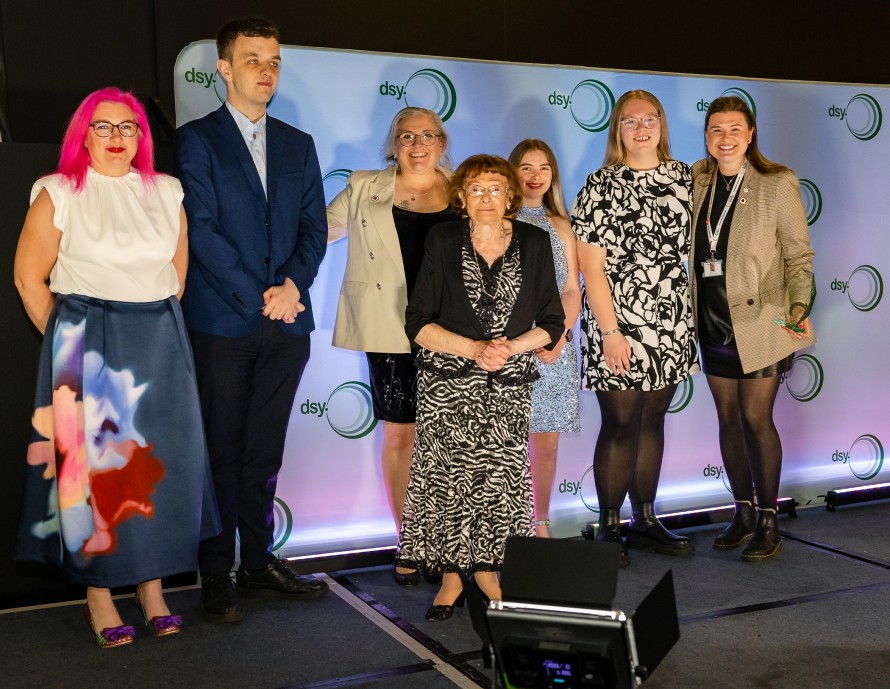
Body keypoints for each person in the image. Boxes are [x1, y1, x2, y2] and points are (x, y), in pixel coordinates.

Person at [13, 87, 219, 647]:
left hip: (159, 338)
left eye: (128, 127)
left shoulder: (168, 191)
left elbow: (176, 278)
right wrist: (70, 347)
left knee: (156, 466)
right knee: (94, 470)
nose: (116, 137)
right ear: (83, 134)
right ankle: (99, 594)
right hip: (88, 338)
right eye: (103, 127)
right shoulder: (58, 191)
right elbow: (29, 278)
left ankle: (152, 590)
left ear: (141, 137)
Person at [175, 18, 329, 623]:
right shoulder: (196, 141)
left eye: (274, 61)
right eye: (253, 59)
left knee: (265, 453)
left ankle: (258, 564)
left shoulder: (299, 144)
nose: (266, 71)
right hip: (223, 323)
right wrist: (260, 295)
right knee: (221, 454)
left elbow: (314, 229)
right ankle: (216, 573)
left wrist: (291, 287)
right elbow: (202, 231)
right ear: (224, 68)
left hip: (287, 325)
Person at [396, 154, 565, 620]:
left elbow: (552, 321)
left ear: (511, 196)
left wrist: (507, 349)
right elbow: (417, 322)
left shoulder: (535, 241)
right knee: (448, 480)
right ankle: (451, 578)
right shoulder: (442, 238)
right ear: (462, 197)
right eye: (475, 189)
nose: (486, 197)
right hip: (447, 383)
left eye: (495, 188)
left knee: (499, 481)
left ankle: (489, 573)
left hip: (507, 384)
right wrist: (474, 349)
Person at [327, 107, 455, 586]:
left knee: (446, 440)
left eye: (427, 135)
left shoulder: (463, 190)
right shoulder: (365, 187)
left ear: (441, 142)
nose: (417, 145)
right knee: (401, 436)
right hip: (389, 329)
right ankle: (412, 539)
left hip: (454, 332)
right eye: (407, 136)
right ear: (394, 144)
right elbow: (315, 231)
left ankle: (447, 540)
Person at [572, 90, 699, 567]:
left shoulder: (684, 178)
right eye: (630, 121)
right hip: (617, 319)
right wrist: (609, 332)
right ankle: (609, 526)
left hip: (671, 317)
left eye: (650, 119)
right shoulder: (600, 184)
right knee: (621, 422)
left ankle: (644, 520)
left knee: (653, 420)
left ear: (662, 125)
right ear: (617, 130)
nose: (641, 128)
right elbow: (590, 265)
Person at [691, 96, 815, 561]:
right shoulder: (697, 180)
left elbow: (799, 255)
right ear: (706, 136)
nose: (725, 138)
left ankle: (768, 519)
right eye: (716, 130)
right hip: (711, 319)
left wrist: (799, 303)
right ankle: (742, 512)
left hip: (763, 320)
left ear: (751, 134)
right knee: (727, 419)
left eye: (734, 129)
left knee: (756, 419)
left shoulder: (776, 182)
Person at [507, 139, 581, 538]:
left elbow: (571, 289)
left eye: (543, 168)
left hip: (554, 348)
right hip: (506, 346)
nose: (535, 177)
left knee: (546, 444)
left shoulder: (561, 226)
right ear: (512, 172)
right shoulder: (497, 222)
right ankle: (504, 525)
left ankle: (540, 524)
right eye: (526, 167)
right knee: (505, 442)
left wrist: (559, 336)